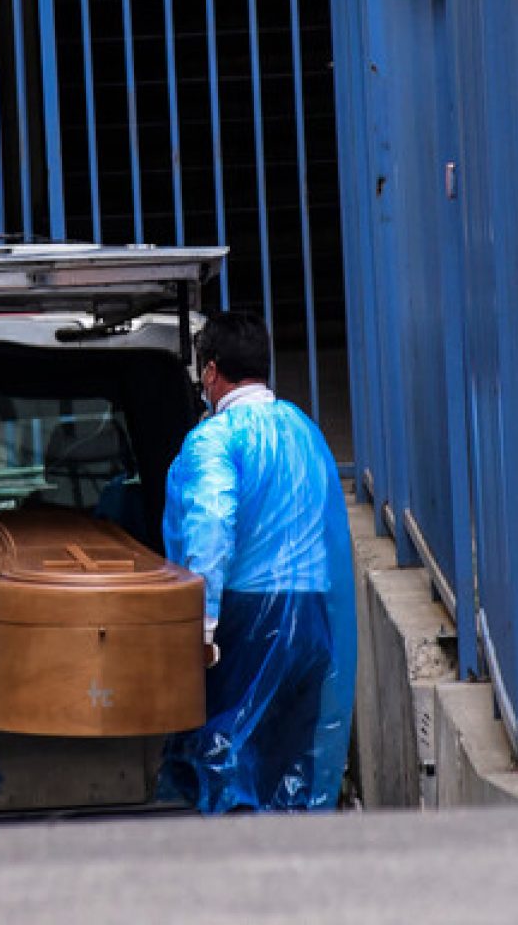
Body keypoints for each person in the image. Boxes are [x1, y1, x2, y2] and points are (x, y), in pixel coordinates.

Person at [160, 312, 357, 813]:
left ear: (209, 372)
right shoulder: (305, 430)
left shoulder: (215, 439)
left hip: (249, 618)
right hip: (312, 617)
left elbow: (210, 527)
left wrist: (202, 623)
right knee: (290, 762)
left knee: (228, 749)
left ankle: (239, 863)